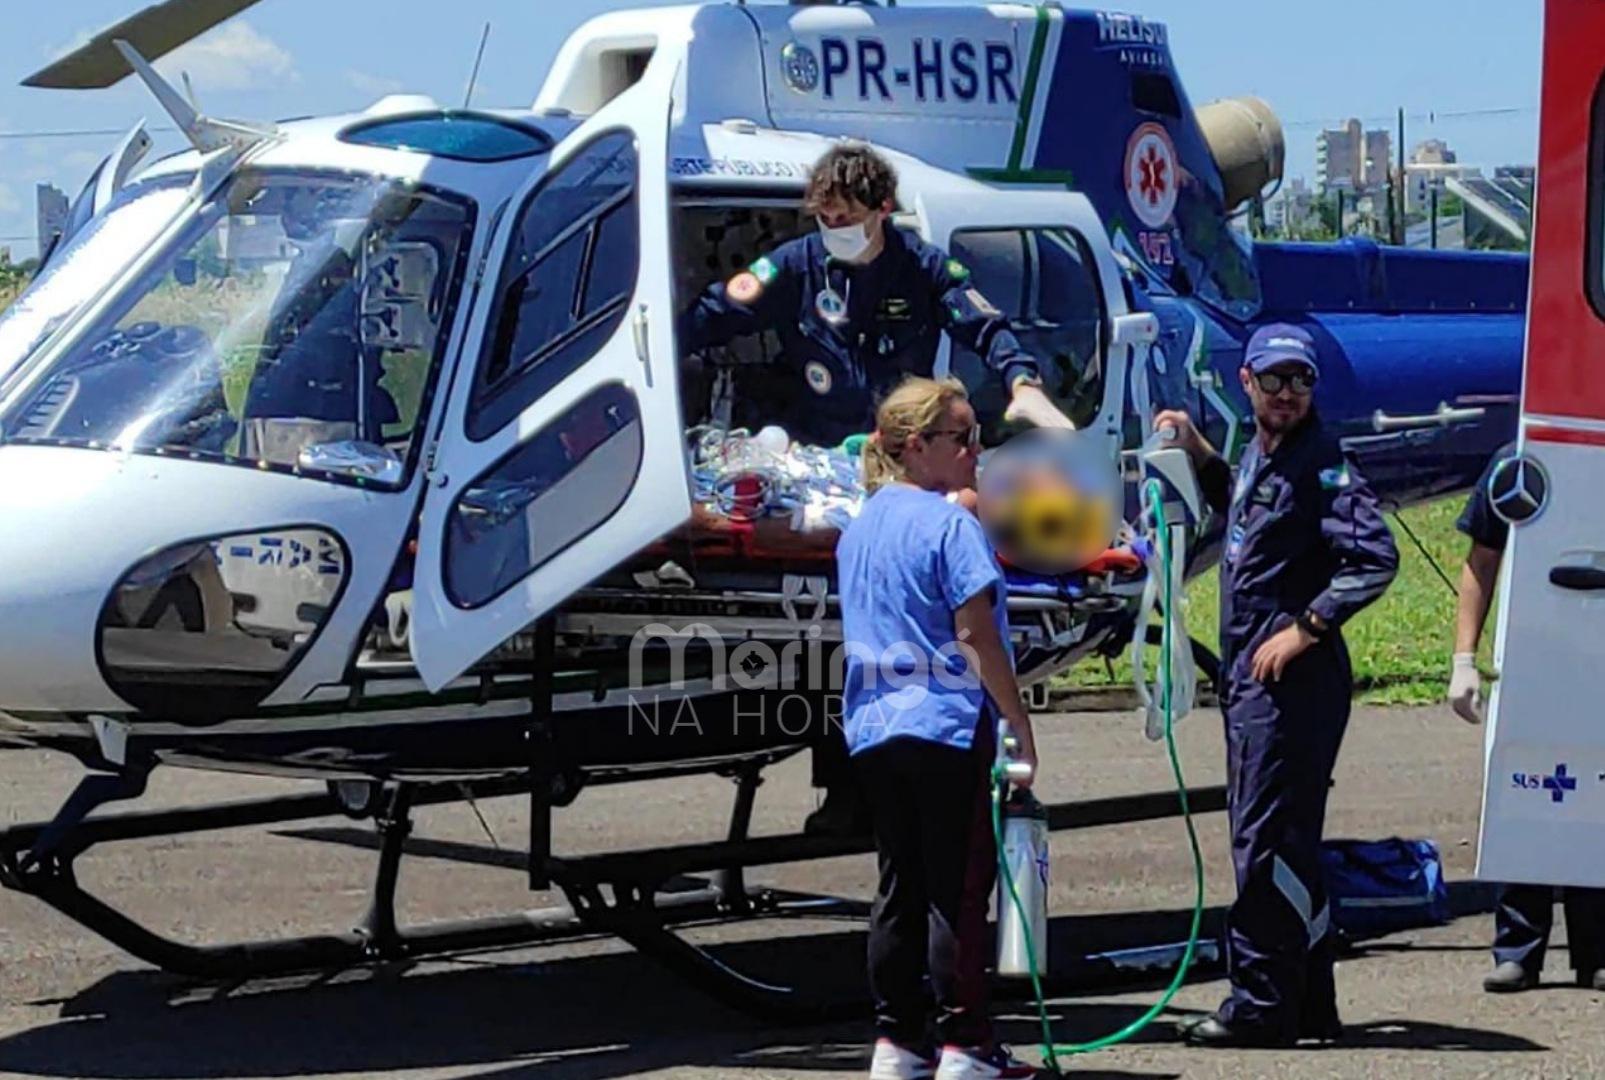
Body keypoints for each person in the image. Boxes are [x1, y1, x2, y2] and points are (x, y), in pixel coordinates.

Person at [1154, 323, 1399, 1048]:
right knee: (1286, 844)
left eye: (1299, 380)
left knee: (1262, 845)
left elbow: (1371, 557)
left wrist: (1306, 627)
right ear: (1248, 384)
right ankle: (1307, 1004)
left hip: (1292, 685)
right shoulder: (1265, 456)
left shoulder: (1323, 463)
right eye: (1273, 380)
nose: (1286, 393)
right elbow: (1249, 515)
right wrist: (1199, 454)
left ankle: (1259, 1005)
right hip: (1251, 684)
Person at [836, 376, 1038, 1080]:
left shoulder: (860, 526)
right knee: (957, 888)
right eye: (963, 439)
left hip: (871, 725)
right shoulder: (948, 523)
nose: (975, 454)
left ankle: (899, 1038)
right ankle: (966, 1040)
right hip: (944, 721)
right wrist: (1016, 719)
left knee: (900, 883)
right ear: (917, 447)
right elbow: (974, 631)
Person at [680, 142, 1073, 447]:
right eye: (826, 219)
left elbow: (984, 326)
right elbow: (717, 313)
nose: (835, 229)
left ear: (883, 208)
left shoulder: (923, 268)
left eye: (847, 219)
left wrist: (1023, 384)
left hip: (899, 450)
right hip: (816, 443)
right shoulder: (795, 266)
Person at [1448, 443, 1605, 993]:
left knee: (1599, 795)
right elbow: (1482, 558)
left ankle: (1597, 949)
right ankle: (1518, 946)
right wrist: (1464, 658)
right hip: (1534, 648)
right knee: (1525, 789)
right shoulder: (1517, 460)